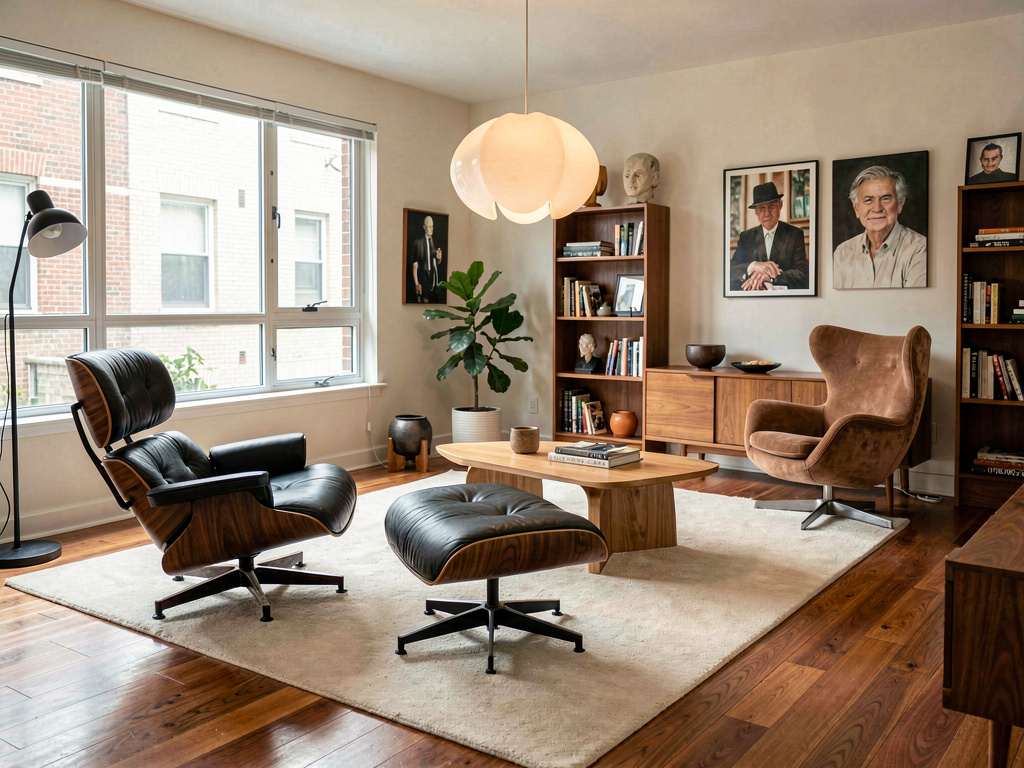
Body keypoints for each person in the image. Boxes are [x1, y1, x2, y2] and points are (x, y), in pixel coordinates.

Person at [833, 166, 927, 289]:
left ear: (900, 204)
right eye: (868, 200)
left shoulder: (919, 250)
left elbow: (916, 305)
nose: (877, 208)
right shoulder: (842, 252)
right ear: (856, 208)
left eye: (885, 199)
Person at [729, 182, 808, 292]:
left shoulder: (794, 234)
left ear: (780, 205)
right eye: (762, 209)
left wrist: (771, 278)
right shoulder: (746, 237)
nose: (767, 213)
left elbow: (803, 274)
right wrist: (752, 266)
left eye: (771, 207)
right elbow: (730, 270)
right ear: (756, 212)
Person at [411, 215, 444, 303]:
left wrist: (439, 258)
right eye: (429, 226)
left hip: (433, 278)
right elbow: (415, 264)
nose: (431, 229)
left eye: (432, 226)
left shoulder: (435, 242)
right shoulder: (418, 243)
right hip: (423, 276)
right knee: (424, 300)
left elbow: (437, 262)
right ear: (424, 227)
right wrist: (416, 283)